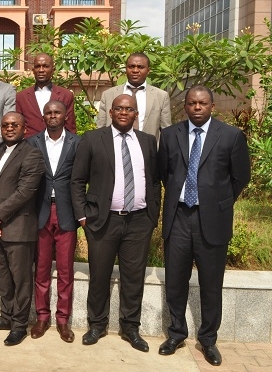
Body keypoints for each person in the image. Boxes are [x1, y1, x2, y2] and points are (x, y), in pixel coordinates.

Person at [157, 86, 250, 366]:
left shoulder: (231, 136)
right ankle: (176, 333)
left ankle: (208, 339)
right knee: (175, 281)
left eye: (203, 103)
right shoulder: (171, 135)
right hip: (179, 217)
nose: (197, 107)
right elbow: (165, 173)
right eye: (192, 103)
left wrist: (217, 202)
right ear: (185, 106)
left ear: (212, 106)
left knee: (212, 284)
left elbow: (240, 177)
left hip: (212, 220)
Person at [71, 94, 161, 352]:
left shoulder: (147, 141)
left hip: (139, 221)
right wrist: (83, 215)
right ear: (110, 112)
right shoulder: (92, 139)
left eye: (129, 109)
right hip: (103, 221)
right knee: (99, 274)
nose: (124, 112)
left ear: (136, 114)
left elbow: (154, 181)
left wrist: (152, 215)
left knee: (134, 277)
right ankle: (97, 324)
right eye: (119, 108)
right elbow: (77, 181)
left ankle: (131, 327)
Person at [0, 112, 45, 346]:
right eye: (5, 125)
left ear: (24, 128)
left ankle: (19, 325)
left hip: (18, 228)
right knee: (3, 277)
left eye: (14, 125)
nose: (9, 128)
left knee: (21, 280)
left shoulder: (32, 154)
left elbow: (25, 191)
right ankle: (6, 317)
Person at [27, 101, 81, 342]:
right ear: (43, 115)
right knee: (41, 269)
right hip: (41, 212)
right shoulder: (33, 142)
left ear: (65, 114)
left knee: (66, 271)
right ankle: (41, 317)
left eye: (57, 112)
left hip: (66, 211)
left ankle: (62, 320)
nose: (53, 116)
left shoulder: (77, 143)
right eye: (48, 112)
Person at [96, 52, 171, 139]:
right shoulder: (108, 95)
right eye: (131, 67)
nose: (135, 70)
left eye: (140, 67)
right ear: (126, 69)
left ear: (148, 70)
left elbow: (166, 131)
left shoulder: (161, 96)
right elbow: (101, 128)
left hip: (148, 151)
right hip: (113, 149)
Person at [16, 53, 76, 137]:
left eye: (45, 66)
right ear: (33, 70)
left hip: (58, 146)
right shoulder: (21, 97)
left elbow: (70, 127)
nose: (41, 70)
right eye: (37, 66)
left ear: (53, 70)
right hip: (29, 147)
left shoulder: (66, 95)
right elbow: (18, 126)